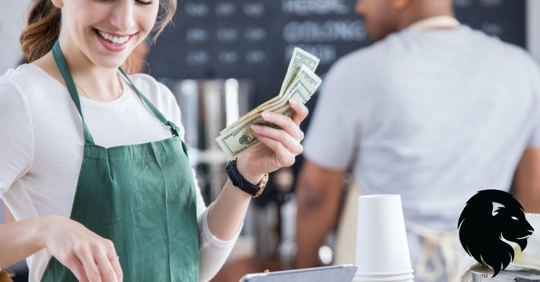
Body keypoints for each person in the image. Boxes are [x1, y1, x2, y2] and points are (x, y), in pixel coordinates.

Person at [0, 0, 308, 282]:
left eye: (143, 0)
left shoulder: (156, 99)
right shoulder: (20, 100)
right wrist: (45, 230)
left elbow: (192, 263)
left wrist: (246, 174)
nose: (124, 21)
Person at [294, 0, 540, 281]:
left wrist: (306, 270)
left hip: (381, 272)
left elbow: (315, 194)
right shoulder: (524, 71)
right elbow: (533, 192)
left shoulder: (358, 72)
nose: (359, 8)